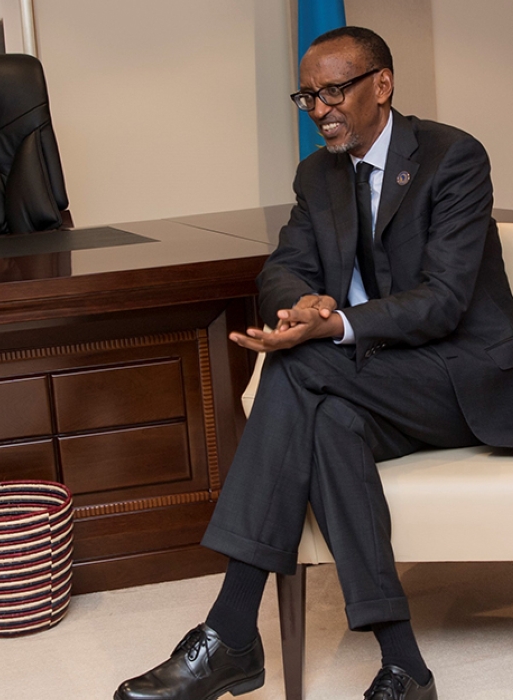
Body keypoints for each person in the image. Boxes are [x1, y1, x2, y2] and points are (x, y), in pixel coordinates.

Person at [114, 26, 513, 700]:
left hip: (463, 379)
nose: (320, 108)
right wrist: (302, 304)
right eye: (308, 96)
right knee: (326, 423)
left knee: (297, 370)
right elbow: (282, 268)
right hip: (372, 382)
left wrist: (335, 326)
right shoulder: (316, 175)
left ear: (380, 86)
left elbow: (443, 303)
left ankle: (229, 632)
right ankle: (404, 666)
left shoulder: (452, 158)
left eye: (334, 90)